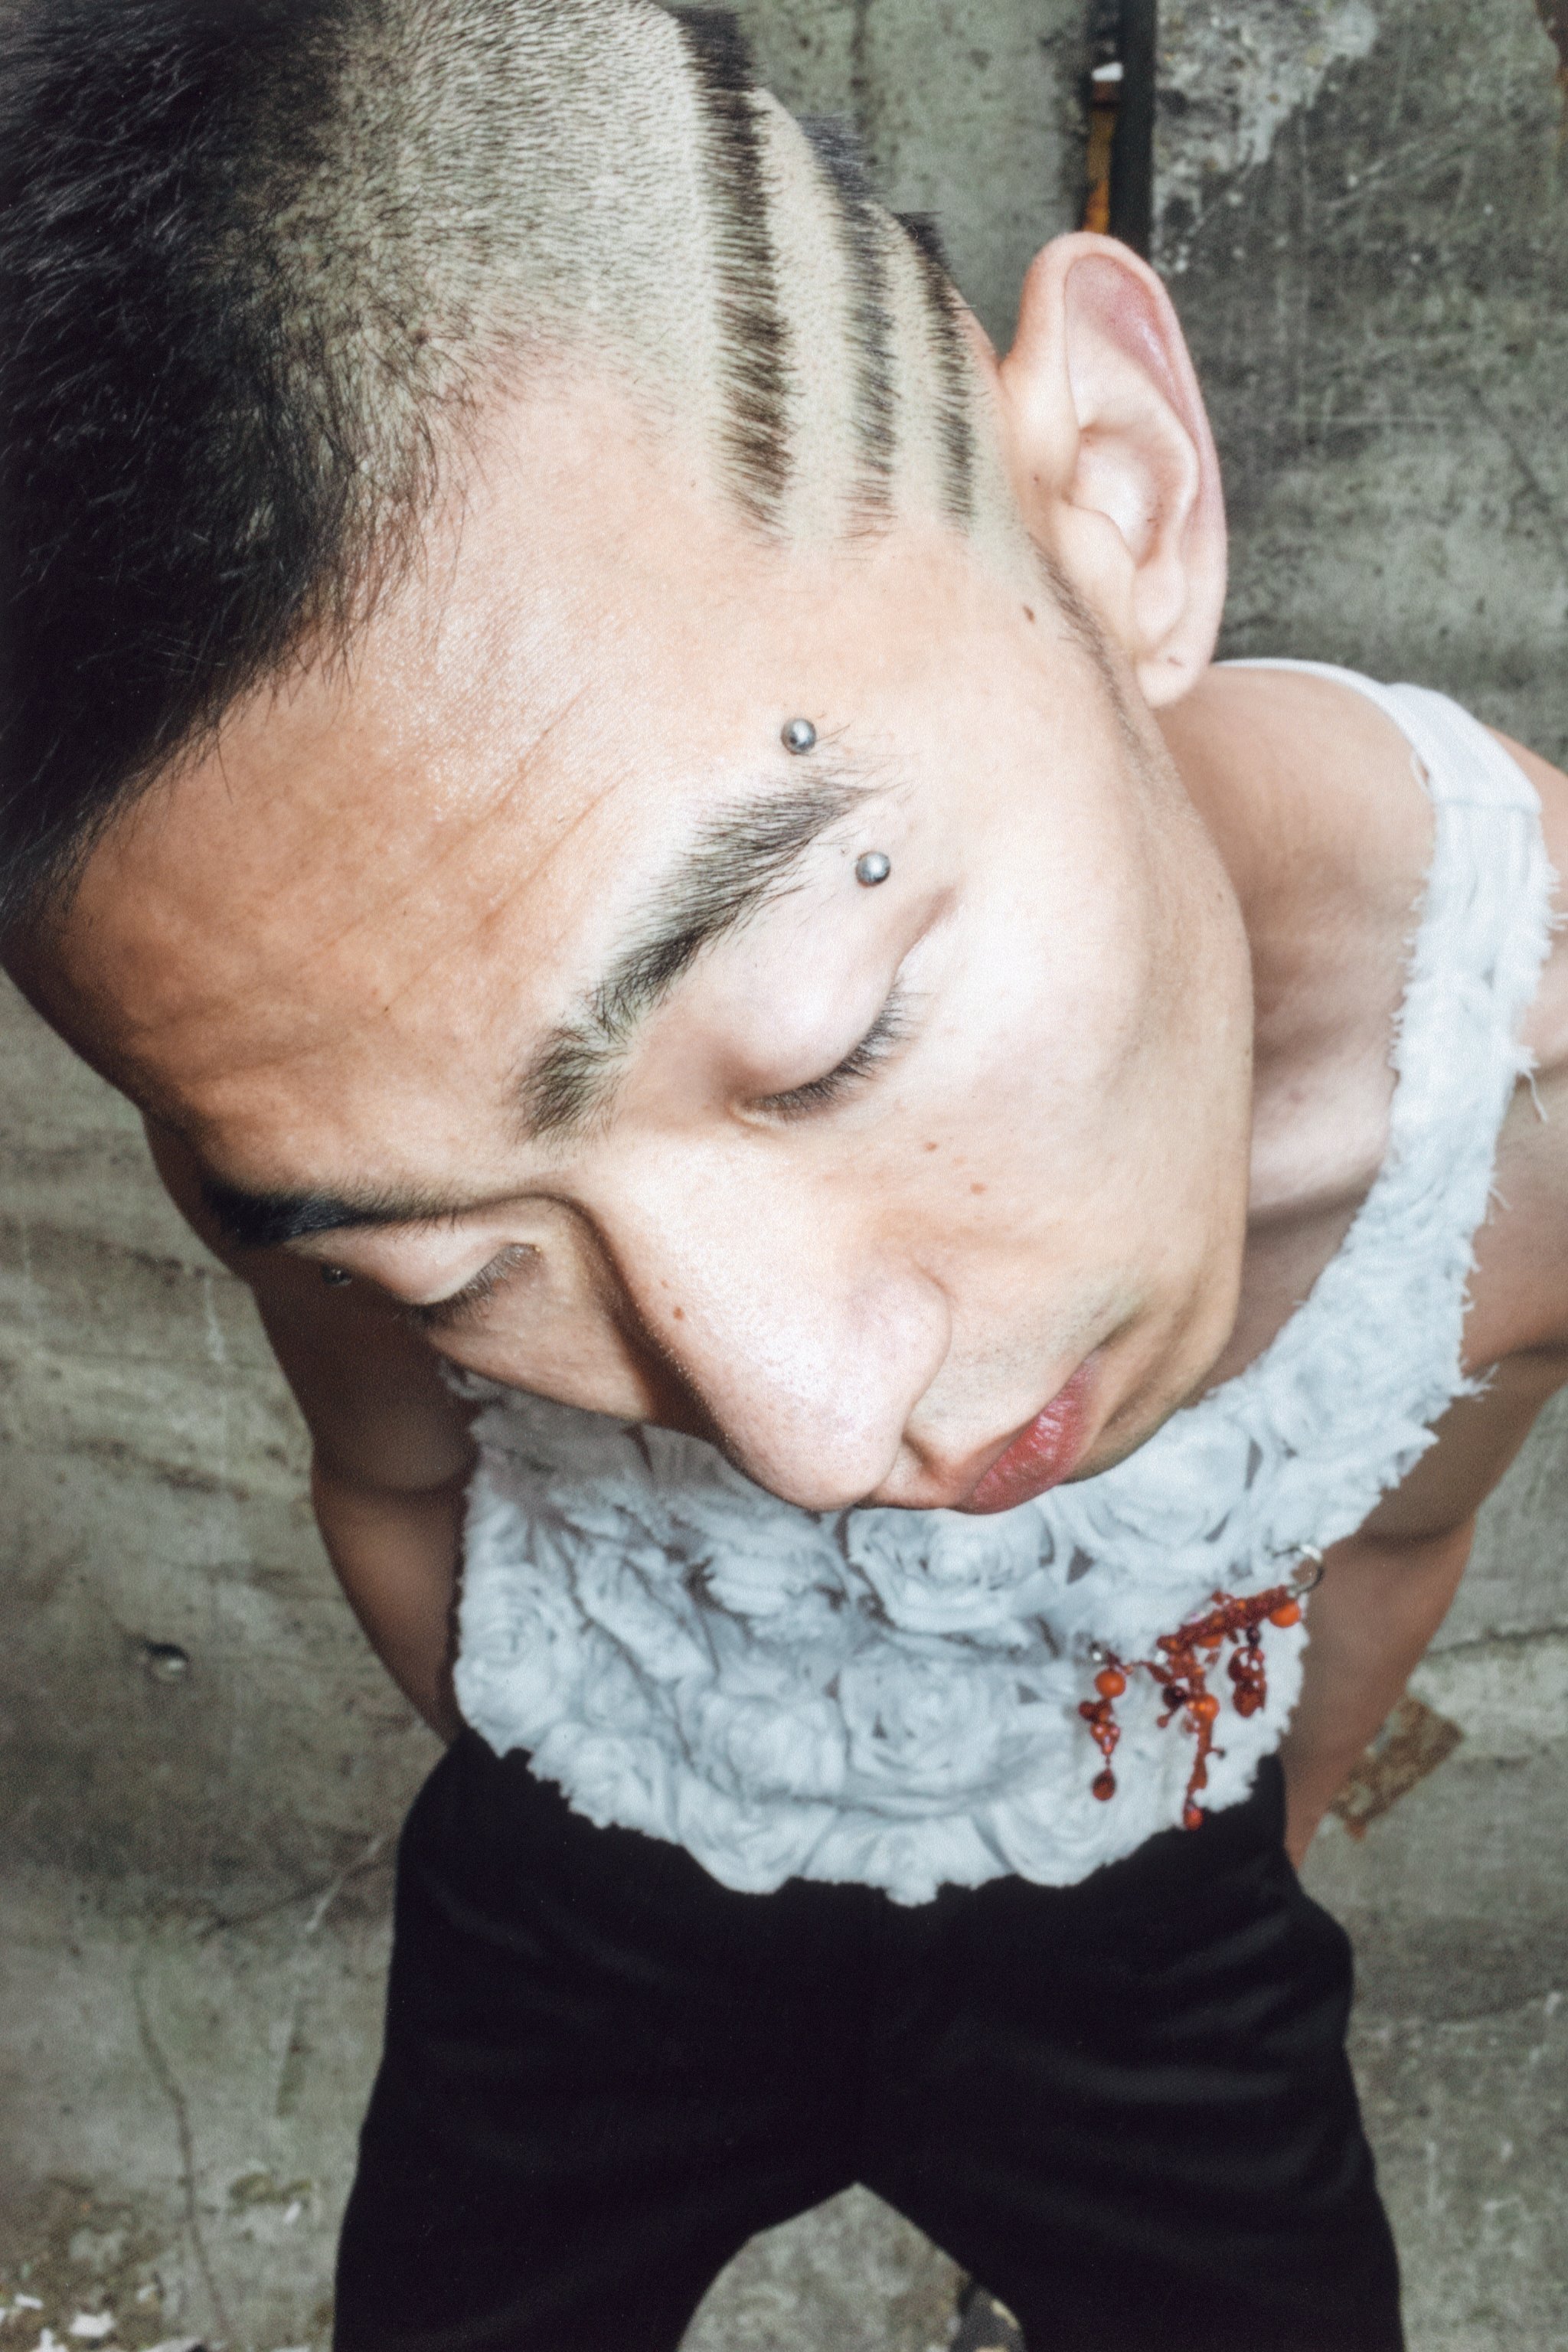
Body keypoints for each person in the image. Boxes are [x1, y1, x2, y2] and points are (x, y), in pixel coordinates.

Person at [3, 2, 1566, 2347]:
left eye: (830, 1041)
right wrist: (596, 1799)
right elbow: (399, 1489)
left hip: (1157, 1920)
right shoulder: (315, 1094)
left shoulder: (1523, 1078)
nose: (813, 1447)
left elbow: (1401, 1534)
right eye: (459, 1266)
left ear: (1120, 497)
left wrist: (1234, 1837)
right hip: (582, 1915)